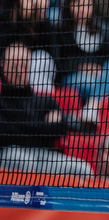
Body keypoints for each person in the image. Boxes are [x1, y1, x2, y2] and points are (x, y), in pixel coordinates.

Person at [0, 42, 93, 177]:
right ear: (4, 67)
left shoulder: (45, 102)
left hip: (43, 156)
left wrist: (20, 125)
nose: (20, 71)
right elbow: (6, 134)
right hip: (11, 154)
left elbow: (59, 129)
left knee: (82, 169)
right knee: (24, 161)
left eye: (24, 66)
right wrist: (43, 126)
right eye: (15, 66)